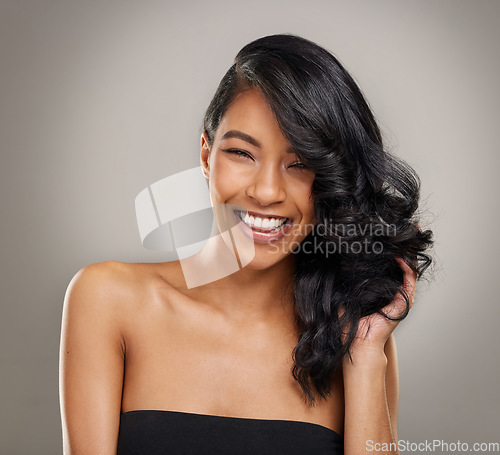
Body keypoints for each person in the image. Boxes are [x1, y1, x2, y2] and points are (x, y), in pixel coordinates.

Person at [59, 33, 433, 454]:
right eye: (242, 153)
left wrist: (365, 356)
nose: (268, 191)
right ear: (206, 155)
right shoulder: (108, 299)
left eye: (301, 164)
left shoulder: (354, 334)